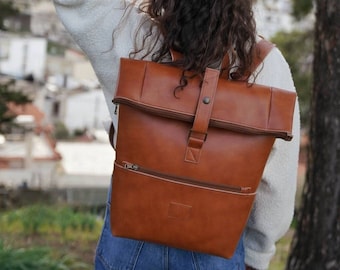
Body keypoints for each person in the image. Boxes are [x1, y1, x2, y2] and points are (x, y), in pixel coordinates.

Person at [53, 1, 300, 269]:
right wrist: (258, 253)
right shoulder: (269, 66)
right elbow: (277, 185)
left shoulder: (132, 34)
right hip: (217, 248)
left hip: (127, 245)